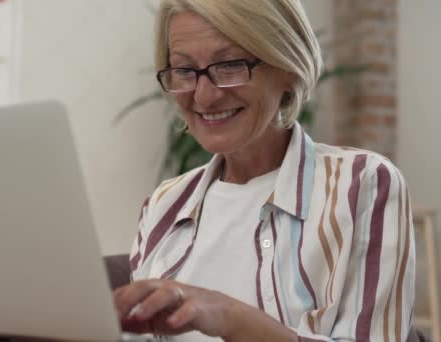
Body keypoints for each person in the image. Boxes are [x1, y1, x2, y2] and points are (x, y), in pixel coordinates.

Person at [113, 0, 415, 341]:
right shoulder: (164, 204)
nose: (204, 95)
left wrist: (227, 315)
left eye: (229, 65)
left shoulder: (362, 184)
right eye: (184, 71)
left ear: (287, 67)